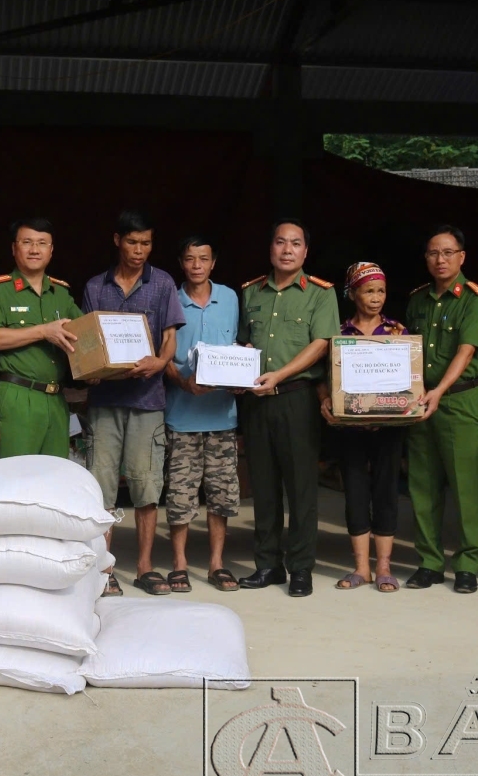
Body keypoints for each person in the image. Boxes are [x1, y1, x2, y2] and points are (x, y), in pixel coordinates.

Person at [80, 210, 184, 597]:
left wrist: (159, 361)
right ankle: (105, 569)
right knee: (102, 487)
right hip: (106, 401)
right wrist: (94, 368)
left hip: (147, 400)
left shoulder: (163, 284)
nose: (139, 251)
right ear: (117, 241)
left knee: (146, 485)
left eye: (146, 243)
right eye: (132, 242)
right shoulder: (96, 287)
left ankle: (144, 566)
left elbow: (170, 337)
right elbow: (89, 340)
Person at [236, 219, 341, 598]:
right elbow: (243, 342)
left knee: (300, 489)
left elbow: (321, 344)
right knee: (263, 487)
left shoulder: (319, 293)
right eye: (280, 242)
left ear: (305, 251)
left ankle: (300, 568)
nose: (286, 249)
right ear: (271, 249)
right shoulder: (251, 292)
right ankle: (267, 565)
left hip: (296, 398)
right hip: (256, 401)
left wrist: (278, 374)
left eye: (295, 243)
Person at [403, 226, 478, 593]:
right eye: (433, 253)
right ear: (426, 258)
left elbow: (466, 351)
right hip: (421, 402)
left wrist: (439, 390)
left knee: (465, 486)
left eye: (448, 253)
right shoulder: (418, 300)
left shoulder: (476, 300)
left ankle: (469, 564)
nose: (440, 260)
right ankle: (430, 562)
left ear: (462, 257)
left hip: (460, 401)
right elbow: (406, 351)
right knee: (422, 485)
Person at [319, 262, 406, 593]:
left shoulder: (398, 332)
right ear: (353, 293)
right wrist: (326, 400)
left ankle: (384, 567)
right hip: (350, 428)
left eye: (381, 291)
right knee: (355, 492)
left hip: (388, 427)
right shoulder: (340, 334)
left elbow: (410, 379)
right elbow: (323, 376)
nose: (376, 297)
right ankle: (360, 568)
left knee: (386, 492)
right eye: (369, 290)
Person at [163, 235, 241, 593]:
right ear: (182, 263)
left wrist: (242, 375)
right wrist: (181, 381)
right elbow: (160, 354)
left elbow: (239, 349)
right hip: (183, 414)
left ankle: (216, 564)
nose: (197, 265)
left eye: (204, 258)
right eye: (190, 258)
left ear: (214, 263)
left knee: (221, 495)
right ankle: (179, 564)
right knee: (181, 495)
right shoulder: (170, 299)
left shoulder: (230, 298)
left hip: (222, 416)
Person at [0, 217, 81, 458]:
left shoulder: (61, 293)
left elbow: (85, 334)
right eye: (27, 242)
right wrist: (44, 331)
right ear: (14, 248)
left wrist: (101, 366)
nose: (35, 249)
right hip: (17, 396)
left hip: (56, 399)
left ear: (51, 250)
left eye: (42, 243)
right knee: (15, 479)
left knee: (52, 479)